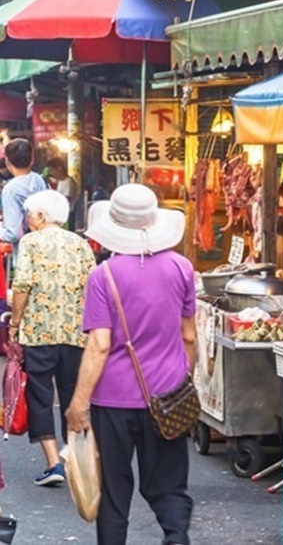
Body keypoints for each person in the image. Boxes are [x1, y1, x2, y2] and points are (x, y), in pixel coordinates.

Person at [66, 184, 197, 545]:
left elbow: (99, 345)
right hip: (168, 396)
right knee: (169, 485)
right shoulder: (182, 268)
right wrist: (182, 378)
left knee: (113, 492)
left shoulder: (102, 276)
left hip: (113, 401)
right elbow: (189, 336)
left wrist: (78, 404)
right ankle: (176, 538)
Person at [8, 190, 96, 486]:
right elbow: (93, 287)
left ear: (42, 216)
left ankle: (54, 464)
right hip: (75, 334)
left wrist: (15, 324)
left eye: (30, 214)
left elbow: (22, 285)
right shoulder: (81, 244)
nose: (27, 220)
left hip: (39, 333)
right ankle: (75, 458)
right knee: (73, 395)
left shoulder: (31, 242)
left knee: (40, 396)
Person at [1, 139, 48, 260]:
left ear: (7, 161)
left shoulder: (10, 190)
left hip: (26, 255)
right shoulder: (39, 180)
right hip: (46, 248)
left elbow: (14, 234)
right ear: (32, 159)